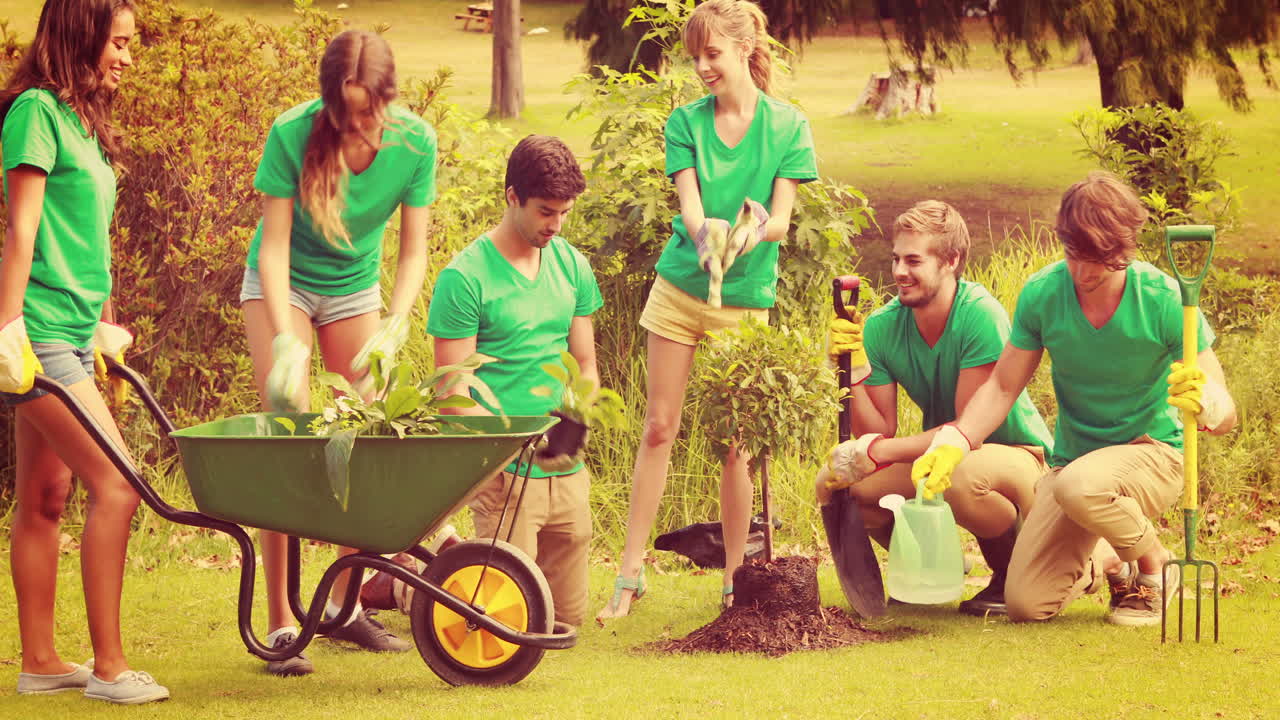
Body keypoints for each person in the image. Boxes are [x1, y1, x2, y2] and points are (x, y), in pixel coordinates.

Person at [910, 171, 1237, 625]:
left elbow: (1224, 411)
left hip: (1153, 453)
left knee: (1080, 485)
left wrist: (1211, 402)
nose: (1083, 272)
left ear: (1124, 248)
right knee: (1026, 604)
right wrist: (957, 440)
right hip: (1073, 469)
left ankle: (1154, 564)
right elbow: (1004, 385)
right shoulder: (1043, 294)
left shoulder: (1163, 298)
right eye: (1073, 255)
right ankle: (1112, 558)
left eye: (1098, 259)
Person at [598, 0, 818, 621]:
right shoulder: (686, 122)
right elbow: (691, 207)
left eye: (712, 54)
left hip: (743, 305)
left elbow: (779, 219)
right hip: (678, 291)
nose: (701, 67)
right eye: (694, 56)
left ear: (746, 48)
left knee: (735, 448)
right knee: (658, 428)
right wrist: (706, 236)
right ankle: (631, 572)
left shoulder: (788, 126)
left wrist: (747, 235)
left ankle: (732, 581)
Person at [242, 29, 436, 675]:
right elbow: (272, 248)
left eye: (370, 109)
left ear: (388, 96)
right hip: (284, 284)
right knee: (285, 432)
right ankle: (277, 622)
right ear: (329, 100)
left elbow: (412, 251)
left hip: (356, 289)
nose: (361, 124)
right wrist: (281, 338)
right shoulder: (293, 132)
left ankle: (346, 606)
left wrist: (398, 323)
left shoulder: (414, 141)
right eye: (348, 111)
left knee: (367, 437)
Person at [0, 0, 170, 704]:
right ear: (82, 37)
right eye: (119, 44)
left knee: (47, 493)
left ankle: (39, 660)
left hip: (71, 331)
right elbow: (22, 226)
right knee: (118, 485)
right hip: (35, 333)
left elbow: (89, 239)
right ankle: (109, 668)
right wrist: (8, 326)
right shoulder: (34, 113)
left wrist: (104, 324)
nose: (127, 58)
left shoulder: (84, 122)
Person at [816, 201, 1052, 616]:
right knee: (840, 483)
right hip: (940, 456)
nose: (899, 272)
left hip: (1018, 456)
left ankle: (1012, 572)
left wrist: (879, 453)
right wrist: (853, 372)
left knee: (957, 474)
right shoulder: (883, 327)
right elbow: (879, 431)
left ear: (951, 261)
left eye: (913, 260)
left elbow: (965, 430)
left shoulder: (979, 316)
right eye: (895, 259)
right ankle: (931, 566)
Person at [428, 134, 601, 629]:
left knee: (566, 621)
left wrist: (577, 414)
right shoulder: (465, 278)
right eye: (545, 211)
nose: (556, 224)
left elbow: (585, 363)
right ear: (512, 196)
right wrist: (517, 441)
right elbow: (452, 395)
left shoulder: (571, 266)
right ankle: (400, 584)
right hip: (504, 470)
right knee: (507, 621)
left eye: (564, 212)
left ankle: (425, 572)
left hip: (564, 467)